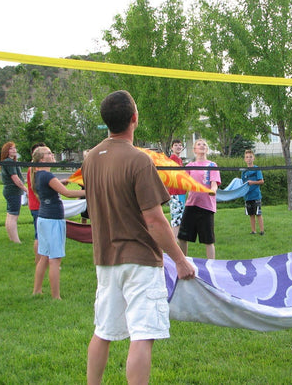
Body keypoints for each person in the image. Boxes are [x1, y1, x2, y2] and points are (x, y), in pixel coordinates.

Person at [82, 90, 195, 385]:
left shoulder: (90, 159)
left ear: (106, 121)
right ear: (134, 119)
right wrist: (180, 260)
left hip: (105, 260)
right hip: (141, 262)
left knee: (103, 330)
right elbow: (156, 221)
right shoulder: (139, 160)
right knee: (143, 334)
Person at [31, 146, 84, 299]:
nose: (52, 155)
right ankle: (56, 297)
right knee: (55, 259)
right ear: (42, 159)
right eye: (48, 153)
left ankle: (37, 290)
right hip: (53, 220)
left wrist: (60, 182)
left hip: (43, 219)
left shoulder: (40, 174)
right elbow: (67, 193)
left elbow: (53, 186)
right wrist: (92, 191)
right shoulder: (47, 176)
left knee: (44, 256)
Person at [178, 139, 221, 259]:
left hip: (206, 206)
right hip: (191, 205)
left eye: (204, 144)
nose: (202, 146)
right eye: (199, 144)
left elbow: (214, 183)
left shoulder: (212, 165)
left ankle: (211, 266)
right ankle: (183, 262)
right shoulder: (190, 166)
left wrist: (213, 190)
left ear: (207, 149)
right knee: (182, 237)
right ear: (194, 150)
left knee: (208, 240)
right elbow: (182, 182)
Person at [0, 141, 28, 243]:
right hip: (13, 191)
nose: (14, 150)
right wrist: (26, 190)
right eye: (11, 148)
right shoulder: (9, 162)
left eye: (14, 148)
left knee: (10, 215)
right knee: (13, 216)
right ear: (6, 151)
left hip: (9, 191)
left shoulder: (9, 162)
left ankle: (12, 238)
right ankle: (16, 240)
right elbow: (16, 179)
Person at [27, 142, 46, 263]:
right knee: (39, 235)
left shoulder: (34, 169)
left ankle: (40, 260)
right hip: (37, 206)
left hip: (37, 206)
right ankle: (38, 261)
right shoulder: (34, 169)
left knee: (40, 235)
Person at [242, 149, 264, 235]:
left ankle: (262, 231)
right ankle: (253, 231)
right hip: (248, 196)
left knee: (258, 213)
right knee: (251, 214)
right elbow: (243, 183)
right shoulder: (244, 171)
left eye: (250, 157)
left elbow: (262, 181)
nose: (249, 159)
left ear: (253, 158)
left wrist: (252, 182)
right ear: (245, 159)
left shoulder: (256, 169)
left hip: (256, 195)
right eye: (247, 157)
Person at [167, 139, 186, 238]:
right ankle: (174, 242)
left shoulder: (180, 160)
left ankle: (177, 240)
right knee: (176, 219)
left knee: (179, 218)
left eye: (180, 145)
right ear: (172, 148)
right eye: (176, 145)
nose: (178, 147)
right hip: (175, 193)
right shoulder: (172, 159)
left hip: (181, 193)